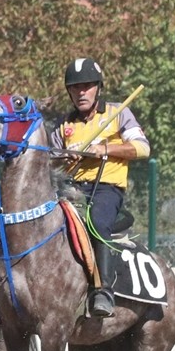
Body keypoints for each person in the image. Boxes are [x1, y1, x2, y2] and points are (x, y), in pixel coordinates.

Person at [49, 57, 150, 318]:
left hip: (105, 189)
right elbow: (49, 159)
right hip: (69, 188)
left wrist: (104, 149)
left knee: (95, 221)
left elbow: (142, 148)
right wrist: (62, 158)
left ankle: (103, 291)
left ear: (98, 88)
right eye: (75, 87)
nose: (81, 92)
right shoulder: (63, 124)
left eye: (87, 86)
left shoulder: (118, 114)